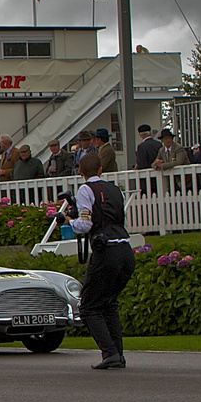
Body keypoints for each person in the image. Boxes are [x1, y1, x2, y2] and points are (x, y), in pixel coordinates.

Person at [65, 155, 134, 369]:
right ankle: (117, 354)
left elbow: (85, 224)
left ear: (80, 172)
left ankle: (109, 352)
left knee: (88, 308)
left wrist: (69, 221)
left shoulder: (85, 190)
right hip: (125, 250)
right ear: (101, 170)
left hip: (107, 252)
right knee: (109, 304)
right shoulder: (115, 190)